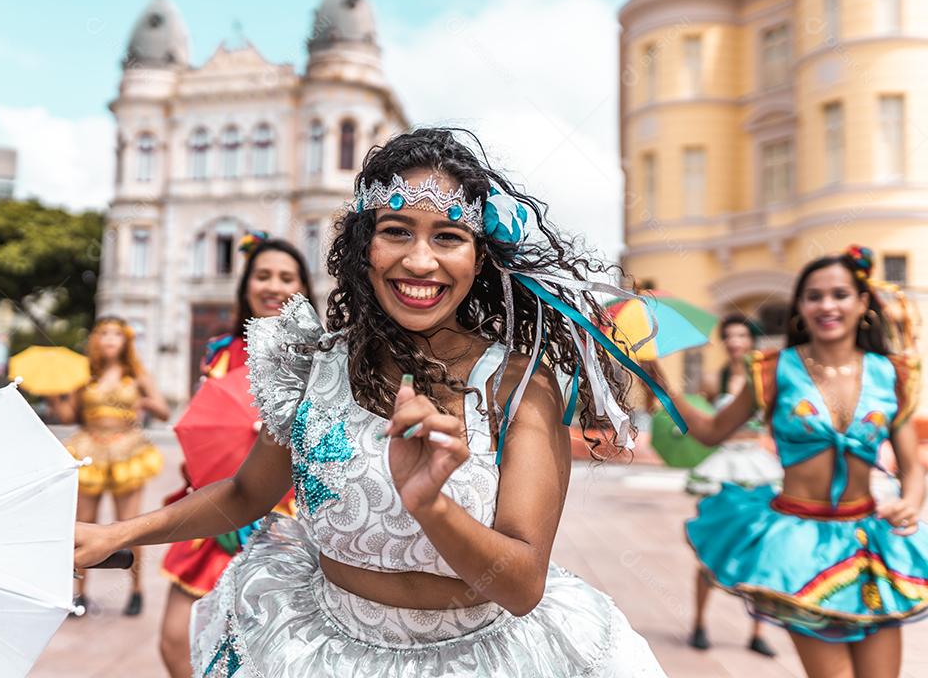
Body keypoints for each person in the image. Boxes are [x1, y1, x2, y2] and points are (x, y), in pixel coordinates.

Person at [75, 128, 671, 676]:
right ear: (364, 247)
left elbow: (520, 585)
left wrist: (431, 505)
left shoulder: (517, 386)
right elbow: (246, 494)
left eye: (448, 236)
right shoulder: (311, 363)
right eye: (396, 232)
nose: (419, 260)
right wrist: (116, 535)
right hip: (316, 648)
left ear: (479, 257)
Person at [646, 246, 926, 678]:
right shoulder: (773, 370)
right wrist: (657, 375)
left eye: (840, 294)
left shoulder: (891, 374)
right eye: (814, 296)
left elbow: (912, 466)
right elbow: (709, 432)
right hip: (800, 544)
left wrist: (910, 501)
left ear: (863, 302)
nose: (826, 305)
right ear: (800, 306)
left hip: (871, 543)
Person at [158, 234, 313, 678]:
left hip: (286, 520)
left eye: (287, 277)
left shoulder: (318, 354)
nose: (273, 286)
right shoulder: (220, 352)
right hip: (214, 508)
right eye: (263, 275)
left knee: (267, 651)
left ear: (303, 287)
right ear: (246, 285)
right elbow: (206, 424)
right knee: (176, 641)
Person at [50, 317, 169, 616]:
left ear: (126, 340)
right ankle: (78, 593)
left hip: (127, 450)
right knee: (82, 523)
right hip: (89, 449)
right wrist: (53, 395)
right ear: (96, 340)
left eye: (117, 333)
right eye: (104, 333)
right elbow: (68, 416)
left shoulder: (136, 374)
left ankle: (136, 590)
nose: (110, 339)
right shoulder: (84, 375)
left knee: (128, 526)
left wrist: (145, 403)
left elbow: (164, 411)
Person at [686, 315, 782, 656]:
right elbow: (700, 420)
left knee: (762, 549)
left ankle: (758, 632)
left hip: (758, 467)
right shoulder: (714, 380)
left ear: (752, 339)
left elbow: (775, 423)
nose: (734, 341)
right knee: (711, 545)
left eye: (741, 335)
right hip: (723, 466)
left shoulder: (766, 380)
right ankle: (699, 623)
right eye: (728, 336)